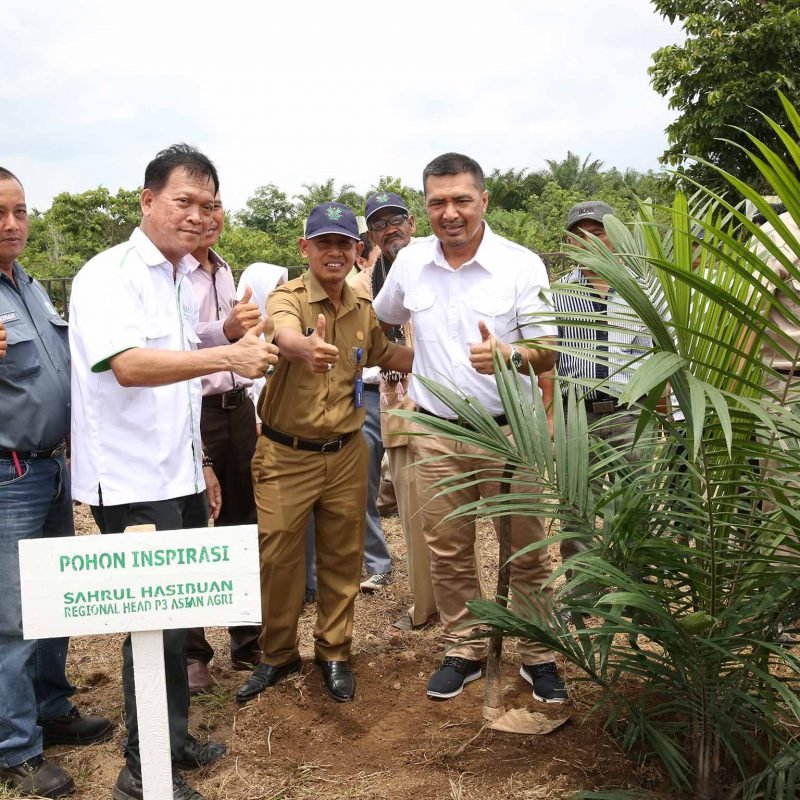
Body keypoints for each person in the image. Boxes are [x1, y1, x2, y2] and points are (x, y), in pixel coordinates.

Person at [68, 144, 277, 800]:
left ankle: (174, 740)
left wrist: (203, 464)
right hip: (130, 483)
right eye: (183, 201)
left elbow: (175, 381)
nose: (195, 215)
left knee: (181, 618)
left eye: (207, 204)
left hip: (177, 475)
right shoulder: (112, 274)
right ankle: (142, 771)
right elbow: (129, 365)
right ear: (147, 201)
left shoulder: (177, 279)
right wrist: (232, 356)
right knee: (151, 629)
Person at [373, 153, 567, 703]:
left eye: (461, 199)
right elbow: (385, 313)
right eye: (438, 202)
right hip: (435, 429)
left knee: (527, 548)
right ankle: (465, 645)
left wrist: (511, 355)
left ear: (484, 199)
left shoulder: (520, 263)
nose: (450, 212)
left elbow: (548, 350)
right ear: (425, 207)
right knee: (449, 548)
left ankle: (538, 652)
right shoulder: (410, 261)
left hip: (509, 432)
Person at [235, 202, 413, 705]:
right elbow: (285, 334)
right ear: (305, 249)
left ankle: (334, 652)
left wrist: (443, 355)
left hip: (346, 454)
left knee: (342, 558)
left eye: (344, 243)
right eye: (324, 243)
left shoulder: (362, 309)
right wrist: (304, 348)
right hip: (286, 455)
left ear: (358, 250)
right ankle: (276, 655)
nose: (335, 252)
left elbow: (387, 354)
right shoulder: (286, 296)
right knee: (279, 560)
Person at [0, 168, 113, 799]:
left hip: (48, 465)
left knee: (53, 600)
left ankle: (50, 706)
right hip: (7, 473)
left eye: (19, 210)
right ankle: (14, 745)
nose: (12, 223)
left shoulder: (30, 285)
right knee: (12, 617)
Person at [354, 191, 474, 630]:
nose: (392, 229)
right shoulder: (359, 285)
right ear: (371, 234)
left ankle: (476, 608)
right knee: (407, 508)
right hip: (380, 402)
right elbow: (364, 344)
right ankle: (426, 606)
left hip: (435, 403)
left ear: (412, 222)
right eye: (381, 223)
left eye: (398, 219)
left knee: (444, 512)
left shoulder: (432, 267)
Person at [539, 201, 651, 564]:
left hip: (629, 416)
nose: (590, 239)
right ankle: (580, 591)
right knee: (576, 507)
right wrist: (553, 416)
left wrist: (657, 416)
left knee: (636, 502)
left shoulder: (640, 290)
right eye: (580, 233)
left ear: (614, 237)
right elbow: (549, 358)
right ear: (570, 241)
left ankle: (636, 587)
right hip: (578, 417)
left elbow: (653, 356)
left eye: (599, 231)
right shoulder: (558, 293)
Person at [184, 192, 263, 694]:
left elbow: (242, 345)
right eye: (197, 207)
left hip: (239, 411)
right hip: (197, 411)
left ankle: (246, 636)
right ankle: (193, 653)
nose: (208, 218)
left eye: (215, 207)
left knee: (243, 525)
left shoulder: (224, 269)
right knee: (193, 525)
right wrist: (225, 329)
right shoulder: (170, 276)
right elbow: (174, 343)